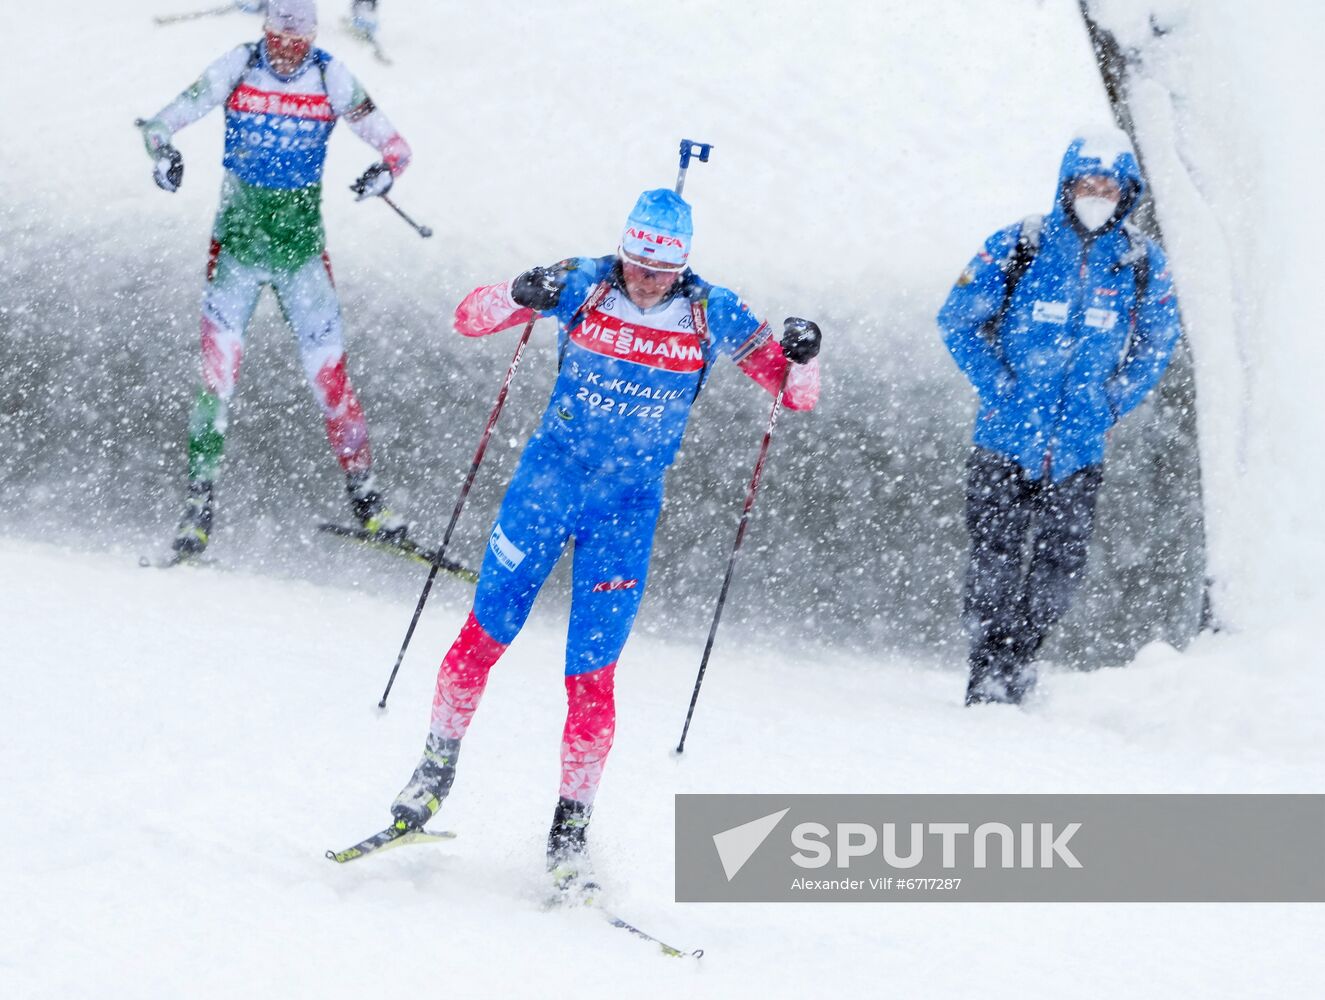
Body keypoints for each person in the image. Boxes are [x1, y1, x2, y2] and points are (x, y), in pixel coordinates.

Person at [390, 188, 822, 894]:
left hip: (624, 512)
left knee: (591, 677)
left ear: (682, 266)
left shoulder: (713, 310)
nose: (643, 280)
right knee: (483, 634)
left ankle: (570, 829)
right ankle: (433, 768)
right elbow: (470, 319)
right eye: (634, 265)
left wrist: (803, 356)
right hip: (545, 487)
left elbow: (793, 393)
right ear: (620, 251)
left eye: (659, 271)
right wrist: (514, 293)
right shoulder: (581, 282)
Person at [138, 0, 412, 559]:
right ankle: (197, 507)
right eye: (281, 36)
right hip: (235, 254)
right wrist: (163, 152)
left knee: (332, 381)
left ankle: (367, 498)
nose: (290, 49)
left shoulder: (330, 73)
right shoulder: (239, 64)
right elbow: (162, 122)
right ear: (265, 30)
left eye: (301, 39)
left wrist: (384, 174)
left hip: (301, 258)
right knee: (216, 383)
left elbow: (397, 147)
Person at [938, 128, 1182, 705]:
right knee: (993, 562)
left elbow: (1157, 342)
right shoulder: (1017, 244)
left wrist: (1114, 399)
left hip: (1079, 451)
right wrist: (1000, 385)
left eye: (1108, 185)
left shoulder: (1141, 263)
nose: (1095, 194)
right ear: (1065, 185)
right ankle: (987, 668)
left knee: (1057, 570)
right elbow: (957, 318)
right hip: (1003, 440)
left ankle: (1023, 657)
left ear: (1127, 192)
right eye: (1085, 183)